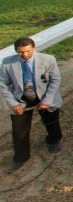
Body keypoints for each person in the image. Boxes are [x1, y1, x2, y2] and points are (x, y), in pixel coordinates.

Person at [0, 37, 64, 172]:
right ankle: (20, 157)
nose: (24, 55)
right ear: (16, 51)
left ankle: (53, 141)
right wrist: (13, 103)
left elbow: (55, 80)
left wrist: (47, 101)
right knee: (18, 130)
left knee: (51, 122)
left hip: (44, 96)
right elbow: (3, 84)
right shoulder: (7, 63)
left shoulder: (48, 59)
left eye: (27, 51)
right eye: (20, 52)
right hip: (21, 99)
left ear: (33, 48)